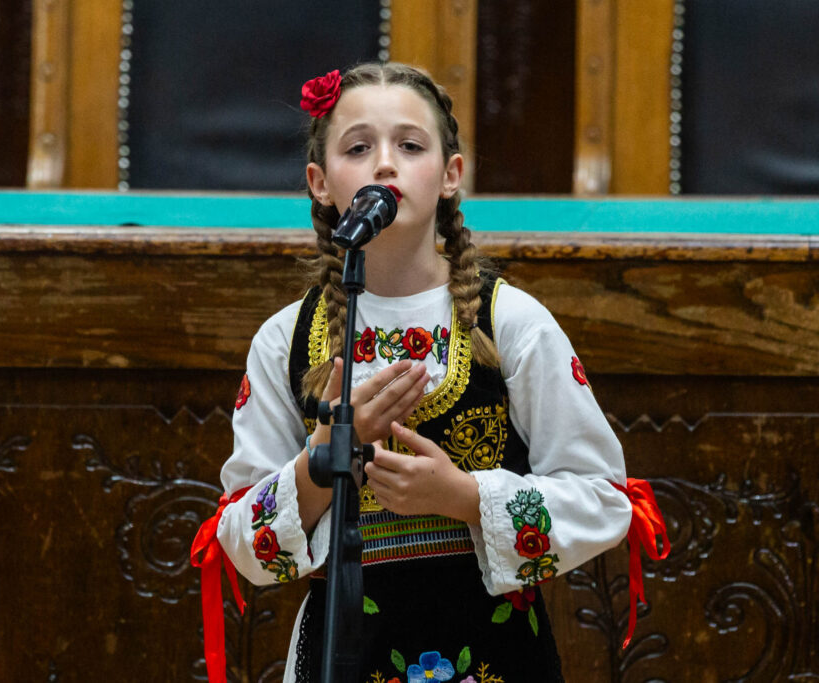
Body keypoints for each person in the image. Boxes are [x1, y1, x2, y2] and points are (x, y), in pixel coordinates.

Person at [194, 62, 660, 683]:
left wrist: (463, 497)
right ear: (320, 183)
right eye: (358, 148)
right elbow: (239, 544)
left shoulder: (511, 322)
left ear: (450, 175)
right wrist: (321, 461)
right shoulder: (286, 339)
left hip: (497, 659)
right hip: (344, 659)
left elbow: (605, 501)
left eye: (410, 146)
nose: (385, 165)